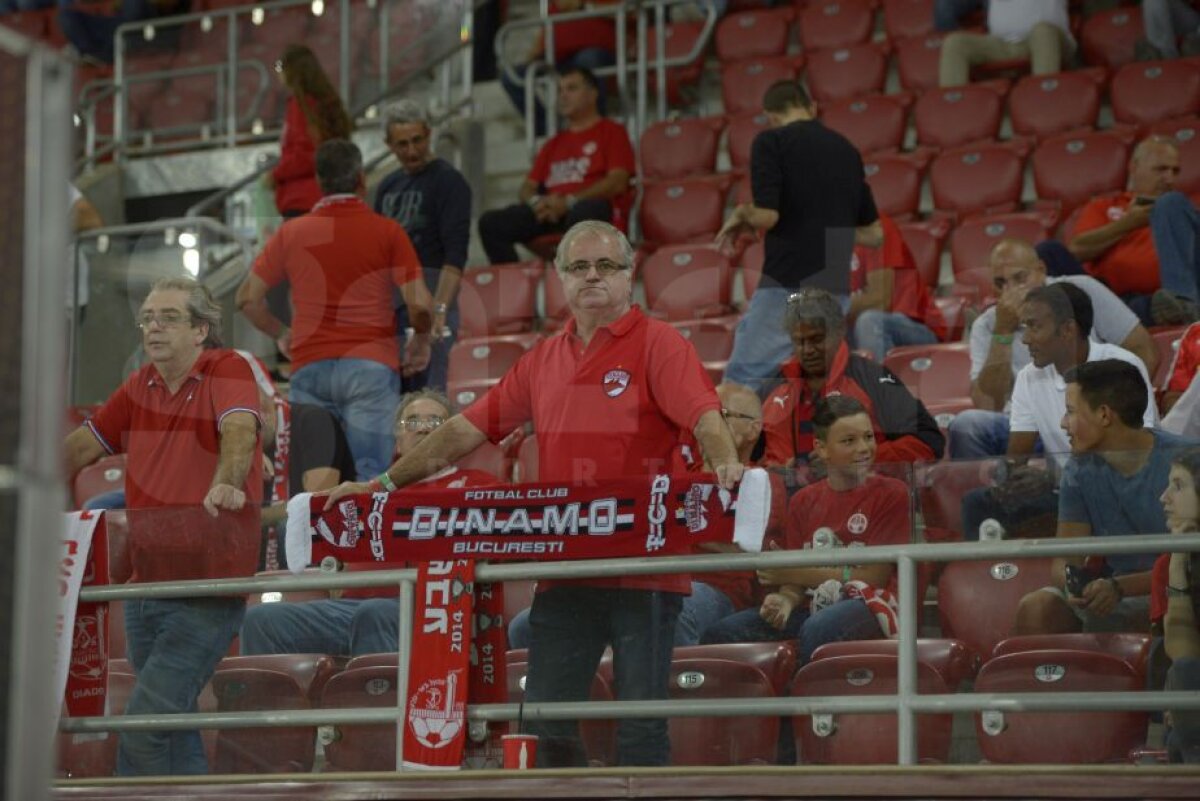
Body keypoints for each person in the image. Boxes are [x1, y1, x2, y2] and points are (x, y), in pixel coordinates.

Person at [323, 220, 744, 767]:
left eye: (606, 266)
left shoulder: (660, 344)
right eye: (579, 267)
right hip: (566, 572)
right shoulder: (543, 359)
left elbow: (703, 414)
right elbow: (463, 431)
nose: (592, 277)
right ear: (560, 278)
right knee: (545, 723)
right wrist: (382, 484)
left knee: (640, 725)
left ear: (630, 273)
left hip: (645, 571)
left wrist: (725, 458)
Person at [62, 278, 261, 776]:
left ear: (200, 329)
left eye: (168, 317)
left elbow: (239, 429)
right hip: (146, 588)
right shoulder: (139, 385)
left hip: (208, 586)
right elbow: (81, 448)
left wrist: (228, 481)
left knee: (144, 726)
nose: (153, 327)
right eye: (147, 318)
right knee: (173, 726)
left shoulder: (227, 367)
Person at [241, 389, 497, 656]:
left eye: (434, 422)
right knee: (261, 620)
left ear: (452, 438)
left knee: (373, 614)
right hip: (347, 610)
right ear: (397, 441)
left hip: (431, 606)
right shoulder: (366, 491)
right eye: (412, 422)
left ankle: (377, 697)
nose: (422, 429)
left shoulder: (477, 484)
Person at [236, 139, 434, 480]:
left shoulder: (290, 234)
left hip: (310, 365)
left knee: (313, 485)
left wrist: (282, 334)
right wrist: (421, 341)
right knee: (371, 480)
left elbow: (246, 299)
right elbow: (420, 305)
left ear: (319, 182)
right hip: (371, 364)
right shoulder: (387, 231)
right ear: (361, 179)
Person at [702, 396, 908, 662]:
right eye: (849, 441)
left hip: (870, 604)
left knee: (819, 627)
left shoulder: (892, 494)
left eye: (868, 437)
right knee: (723, 633)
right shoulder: (803, 500)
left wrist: (794, 572)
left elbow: (874, 576)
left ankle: (803, 702)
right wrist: (785, 600)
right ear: (821, 449)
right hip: (811, 606)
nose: (864, 448)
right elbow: (793, 582)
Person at [717, 80, 881, 396]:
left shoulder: (770, 141)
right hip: (834, 290)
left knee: (741, 387)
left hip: (787, 285)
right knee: (816, 392)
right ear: (810, 107)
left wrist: (741, 214)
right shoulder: (846, 149)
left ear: (770, 115)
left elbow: (768, 216)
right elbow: (874, 235)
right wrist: (825, 223)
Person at [959, 283, 1158, 541]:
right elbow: (1017, 455)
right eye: (1024, 327)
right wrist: (1008, 476)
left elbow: (1134, 458)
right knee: (978, 504)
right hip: (1066, 491)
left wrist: (1052, 479)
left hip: (1123, 490)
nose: (1026, 338)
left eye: (1034, 326)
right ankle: (996, 577)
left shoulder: (1122, 367)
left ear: (1067, 330)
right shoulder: (1028, 378)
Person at [1012, 360, 1195, 636]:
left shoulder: (1189, 462)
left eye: (1071, 412)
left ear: (1105, 415)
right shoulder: (1078, 468)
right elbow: (1065, 560)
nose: (1063, 423)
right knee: (1038, 608)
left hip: (1179, 591)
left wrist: (1120, 588)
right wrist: (1078, 587)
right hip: (1112, 593)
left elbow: (1192, 563)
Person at [950, 238, 1158, 459]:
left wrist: (1118, 408)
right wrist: (1003, 332)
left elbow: (1144, 349)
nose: (1010, 291)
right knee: (966, 425)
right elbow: (987, 403)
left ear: (1041, 270)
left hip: (1094, 415)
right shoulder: (987, 325)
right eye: (1001, 283)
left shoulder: (1081, 291)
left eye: (1020, 278)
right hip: (1024, 426)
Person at [760, 289, 944, 468]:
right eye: (799, 342)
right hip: (788, 497)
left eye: (816, 339)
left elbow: (929, 442)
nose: (807, 350)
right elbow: (745, 455)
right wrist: (775, 474)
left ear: (839, 332)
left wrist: (856, 461)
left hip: (863, 493)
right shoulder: (773, 385)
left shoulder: (871, 377)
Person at [478, 67, 634, 265]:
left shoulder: (612, 131)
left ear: (592, 94)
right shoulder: (553, 143)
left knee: (584, 213)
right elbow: (527, 188)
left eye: (571, 89)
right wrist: (537, 203)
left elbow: (618, 181)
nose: (563, 96)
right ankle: (514, 287)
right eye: (560, 90)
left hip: (589, 210)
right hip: (550, 213)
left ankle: (579, 282)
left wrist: (569, 201)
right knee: (491, 223)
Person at [374, 100, 472, 393]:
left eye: (417, 140)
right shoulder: (387, 186)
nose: (412, 150)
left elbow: (455, 254)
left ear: (429, 134)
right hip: (394, 305)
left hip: (432, 296)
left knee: (429, 395)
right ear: (389, 144)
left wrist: (439, 309)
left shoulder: (449, 181)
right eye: (402, 144)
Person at [1068, 136, 1200, 327]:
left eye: (1175, 171)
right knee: (1049, 252)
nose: (1170, 178)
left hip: (1185, 292)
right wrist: (1130, 223)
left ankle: (1183, 304)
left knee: (1171, 203)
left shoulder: (1181, 209)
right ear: (1134, 167)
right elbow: (1076, 250)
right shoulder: (1104, 207)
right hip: (1124, 301)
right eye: (1161, 169)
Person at [257, 387, 357, 571]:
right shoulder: (227, 445)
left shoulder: (314, 421)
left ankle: (305, 595)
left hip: (330, 531)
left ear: (263, 410)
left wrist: (253, 519)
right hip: (263, 541)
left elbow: (316, 503)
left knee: (291, 526)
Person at [500, 0, 617, 135]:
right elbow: (546, 32)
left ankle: (594, 126)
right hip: (556, 58)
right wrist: (533, 57)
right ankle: (548, 131)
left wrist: (583, 5)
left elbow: (631, 11)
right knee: (512, 76)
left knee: (588, 60)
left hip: (596, 52)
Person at [849, 212, 946, 362]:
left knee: (870, 321)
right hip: (858, 329)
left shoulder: (875, 227)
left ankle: (878, 385)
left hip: (915, 327)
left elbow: (880, 300)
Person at [1158, 447, 1200, 763]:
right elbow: (1182, 654)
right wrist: (1177, 559)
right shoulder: (1168, 565)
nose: (1164, 497)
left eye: (1178, 486)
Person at [938, 0, 1074, 86]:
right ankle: (952, 118)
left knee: (1042, 31)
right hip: (1002, 43)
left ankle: (1044, 101)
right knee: (955, 43)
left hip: (1048, 40)